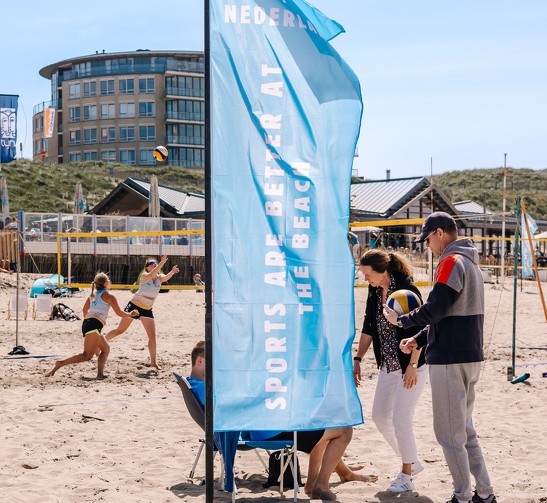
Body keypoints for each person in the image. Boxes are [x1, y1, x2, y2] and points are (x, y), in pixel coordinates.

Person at [383, 212, 496, 503]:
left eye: (428, 239)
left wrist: (401, 321)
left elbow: (436, 308)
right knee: (465, 430)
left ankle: (462, 497)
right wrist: (419, 338)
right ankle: (484, 494)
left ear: (441, 233)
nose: (427, 246)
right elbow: (448, 312)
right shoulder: (470, 261)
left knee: (449, 434)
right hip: (470, 354)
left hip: (450, 358)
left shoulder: (450, 261)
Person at [186, 341, 375, 499]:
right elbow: (230, 408)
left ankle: (319, 482)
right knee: (344, 430)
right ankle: (322, 486)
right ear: (200, 360)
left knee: (322, 425)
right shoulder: (204, 389)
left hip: (262, 424)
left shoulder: (199, 386)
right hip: (268, 429)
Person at [353, 249, 427, 494]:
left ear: (382, 271)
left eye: (368, 274)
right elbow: (368, 327)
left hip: (412, 365)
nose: (365, 279)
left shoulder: (407, 291)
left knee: (401, 418)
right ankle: (412, 460)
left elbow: (421, 328)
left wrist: (413, 366)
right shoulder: (375, 293)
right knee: (380, 416)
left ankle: (406, 474)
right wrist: (358, 358)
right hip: (388, 364)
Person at [47, 272, 138, 378]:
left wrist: (88, 322)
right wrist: (130, 314)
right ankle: (60, 363)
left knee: (105, 349)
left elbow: (84, 309)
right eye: (108, 280)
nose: (109, 281)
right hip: (93, 325)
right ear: (105, 283)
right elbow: (119, 313)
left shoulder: (93, 294)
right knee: (86, 356)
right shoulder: (109, 296)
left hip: (89, 323)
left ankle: (100, 374)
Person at [105, 255, 178, 370]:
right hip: (134, 306)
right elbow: (152, 274)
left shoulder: (159, 278)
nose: (155, 264)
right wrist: (162, 263)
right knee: (120, 330)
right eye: (152, 264)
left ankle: (153, 363)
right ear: (147, 267)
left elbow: (166, 277)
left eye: (156, 263)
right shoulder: (145, 276)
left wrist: (172, 272)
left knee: (152, 336)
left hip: (147, 309)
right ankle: (101, 343)